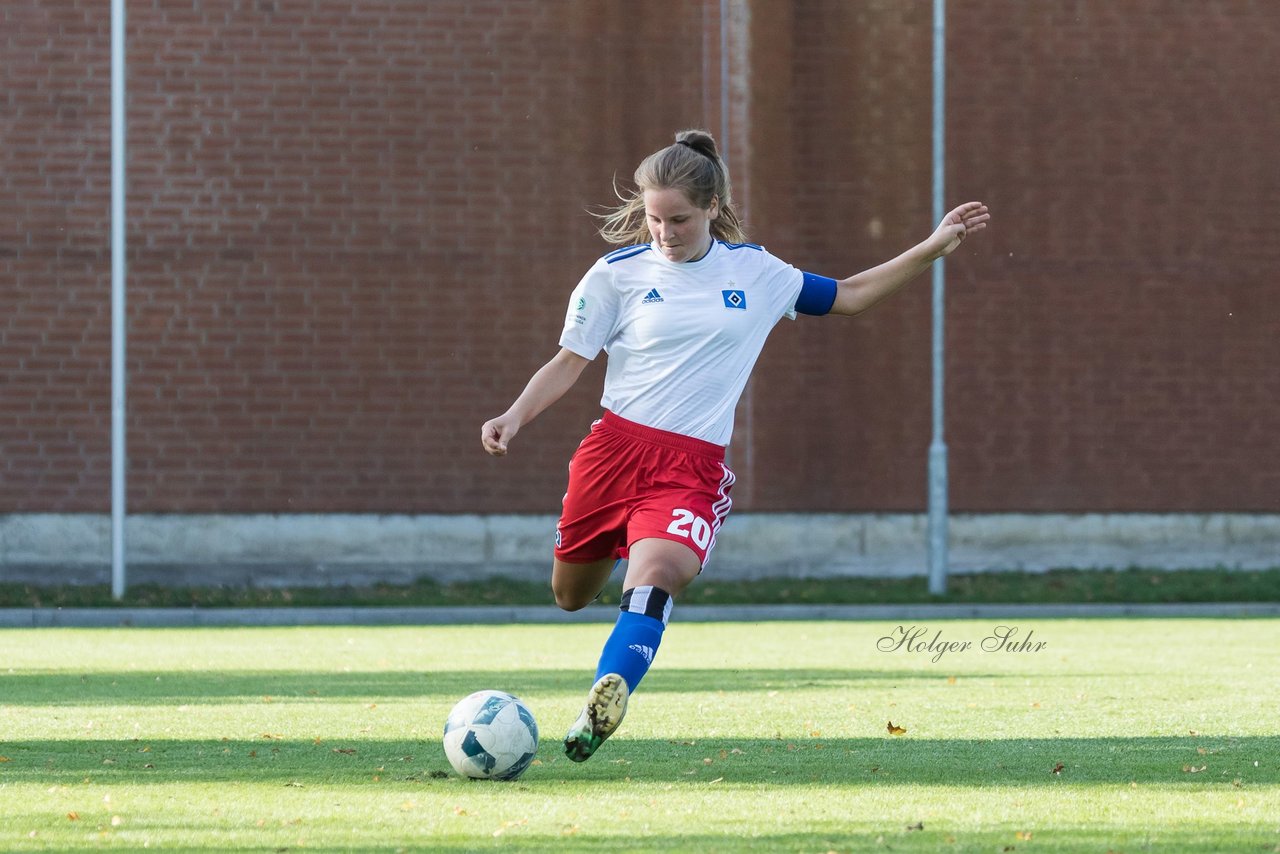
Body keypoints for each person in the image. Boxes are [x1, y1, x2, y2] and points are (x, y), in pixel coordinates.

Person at [481, 129, 989, 762]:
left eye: (679, 220)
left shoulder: (756, 273)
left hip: (690, 467)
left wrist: (933, 247)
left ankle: (603, 701)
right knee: (571, 596)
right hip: (611, 454)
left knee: (658, 573)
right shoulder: (615, 276)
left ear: (713, 208)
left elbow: (851, 296)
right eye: (654, 218)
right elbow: (568, 361)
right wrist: (514, 415)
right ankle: (615, 622)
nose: (664, 232)